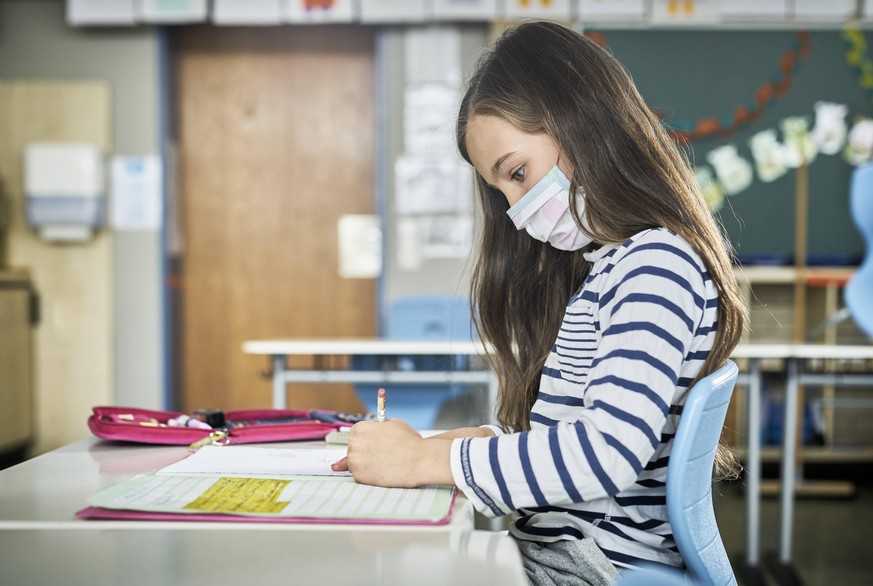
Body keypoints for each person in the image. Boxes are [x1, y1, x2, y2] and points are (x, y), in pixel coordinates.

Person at [332, 20, 746, 585]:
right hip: (571, 556)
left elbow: (604, 452)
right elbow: (573, 436)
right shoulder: (613, 269)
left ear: (582, 119)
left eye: (519, 173)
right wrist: (452, 444)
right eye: (502, 192)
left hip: (590, 566)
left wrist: (424, 461)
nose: (517, 212)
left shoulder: (655, 266)